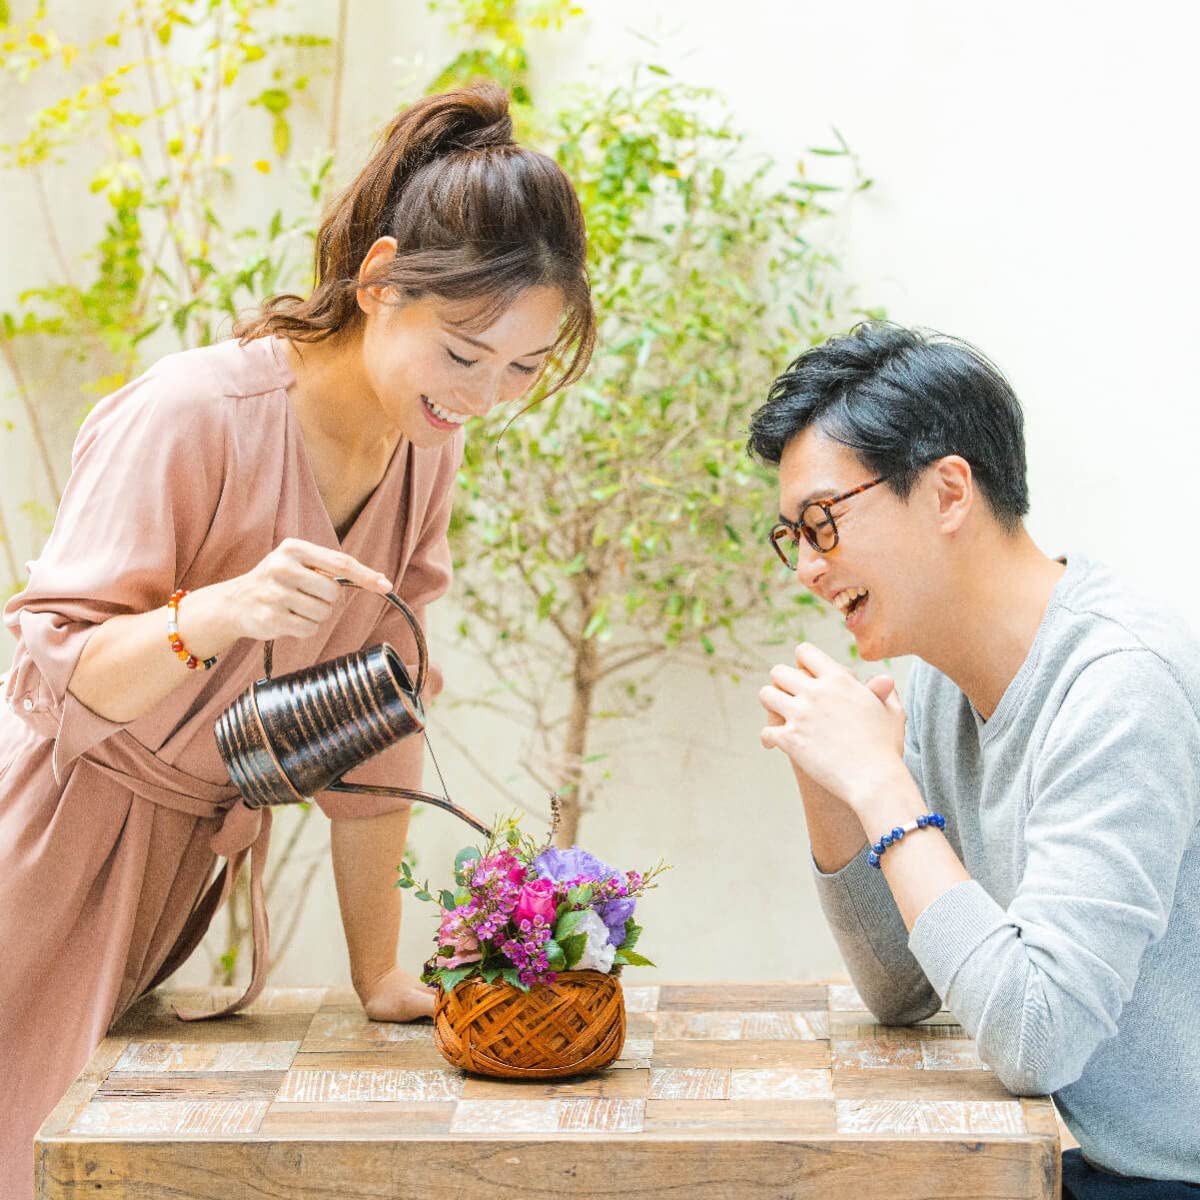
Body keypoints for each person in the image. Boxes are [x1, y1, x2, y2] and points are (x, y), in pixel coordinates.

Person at [0, 82, 594, 1197]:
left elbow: (384, 711)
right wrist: (215, 613)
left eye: (523, 369)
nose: (485, 396)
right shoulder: (194, 415)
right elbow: (53, 679)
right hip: (44, 846)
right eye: (465, 353)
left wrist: (380, 973)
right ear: (380, 281)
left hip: (177, 867)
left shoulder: (424, 447)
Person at [749, 322, 1199, 1197]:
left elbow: (1037, 1037)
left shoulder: (1120, 685)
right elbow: (903, 987)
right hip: (1093, 1164)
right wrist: (831, 784)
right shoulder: (941, 683)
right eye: (791, 535)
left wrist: (881, 782)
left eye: (823, 523)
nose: (806, 566)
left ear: (948, 491)